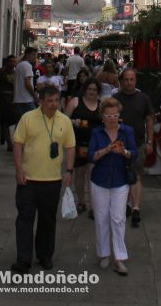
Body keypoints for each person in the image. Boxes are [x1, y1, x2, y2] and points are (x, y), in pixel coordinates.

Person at [11, 84, 76, 274]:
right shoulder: (28, 118)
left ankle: (45, 255)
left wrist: (69, 171)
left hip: (52, 180)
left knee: (48, 221)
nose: (54, 104)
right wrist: (18, 170)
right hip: (28, 179)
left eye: (56, 100)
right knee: (25, 219)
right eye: (50, 101)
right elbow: (17, 144)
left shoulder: (64, 120)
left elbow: (70, 146)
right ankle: (23, 259)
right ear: (40, 101)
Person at [87, 97, 137, 275]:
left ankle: (119, 257)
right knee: (101, 218)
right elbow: (91, 156)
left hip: (120, 180)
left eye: (115, 115)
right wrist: (107, 149)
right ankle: (103, 254)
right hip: (99, 180)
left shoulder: (127, 131)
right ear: (102, 116)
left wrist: (123, 152)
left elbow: (134, 154)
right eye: (108, 116)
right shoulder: (96, 133)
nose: (112, 119)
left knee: (118, 218)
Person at [115, 69, 153, 227]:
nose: (128, 82)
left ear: (135, 81)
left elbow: (149, 119)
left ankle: (135, 207)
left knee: (136, 176)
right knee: (123, 176)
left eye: (131, 79)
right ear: (121, 81)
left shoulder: (143, 98)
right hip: (118, 144)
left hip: (138, 143)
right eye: (126, 79)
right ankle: (127, 204)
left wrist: (150, 141)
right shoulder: (115, 98)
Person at [65, 77, 102, 214]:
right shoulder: (75, 102)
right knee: (80, 174)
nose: (92, 92)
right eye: (89, 89)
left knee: (93, 175)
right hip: (78, 144)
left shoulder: (101, 105)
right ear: (85, 89)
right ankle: (81, 201)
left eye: (95, 89)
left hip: (96, 146)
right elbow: (63, 119)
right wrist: (73, 122)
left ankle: (93, 206)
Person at [0, 54, 18, 151]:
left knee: (16, 120)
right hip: (3, 99)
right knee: (5, 122)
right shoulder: (1, 71)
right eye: (11, 61)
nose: (13, 63)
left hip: (13, 99)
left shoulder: (15, 72)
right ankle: (9, 144)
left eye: (15, 62)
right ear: (7, 62)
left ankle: (15, 142)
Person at [13, 47, 39, 122]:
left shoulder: (19, 65)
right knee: (33, 121)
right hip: (26, 99)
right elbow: (27, 84)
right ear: (27, 55)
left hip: (19, 99)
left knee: (22, 123)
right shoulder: (27, 66)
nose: (35, 57)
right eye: (33, 55)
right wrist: (35, 96)